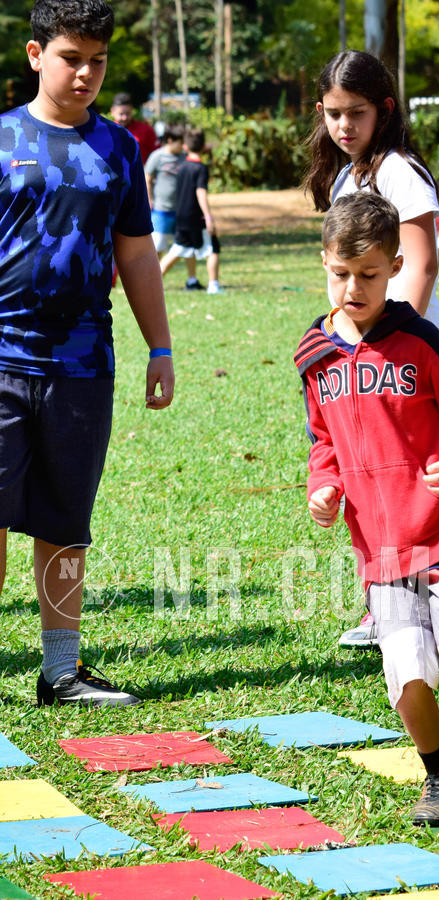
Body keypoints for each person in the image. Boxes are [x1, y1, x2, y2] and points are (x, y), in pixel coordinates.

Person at [295, 191, 439, 826]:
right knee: (406, 673)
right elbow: (323, 440)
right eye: (341, 273)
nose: (354, 287)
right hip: (381, 550)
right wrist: (325, 486)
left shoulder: (423, 341)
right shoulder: (313, 355)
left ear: (395, 266)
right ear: (323, 261)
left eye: (369, 274)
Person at [0, 0, 175, 707]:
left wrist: (159, 346)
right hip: (2, 358)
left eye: (98, 61)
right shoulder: (3, 138)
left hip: (82, 365)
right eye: (73, 58)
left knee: (64, 524)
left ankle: (61, 672)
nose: (86, 74)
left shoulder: (119, 148)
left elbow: (135, 253)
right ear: (37, 55)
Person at [303, 49, 439, 650]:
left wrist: (389, 340)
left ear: (384, 110)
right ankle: (382, 603)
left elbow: (424, 263)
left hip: (401, 359)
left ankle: (430, 599)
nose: (344, 126)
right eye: (334, 114)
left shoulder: (400, 172)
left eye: (356, 113)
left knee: (411, 481)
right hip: (355, 356)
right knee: (363, 477)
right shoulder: (347, 176)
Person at [160, 128, 224, 294]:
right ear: (203, 147)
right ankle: (213, 286)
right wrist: (208, 217)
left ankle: (149, 285)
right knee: (213, 248)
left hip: (181, 216)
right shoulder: (200, 168)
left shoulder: (181, 167)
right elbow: (200, 192)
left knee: (177, 250)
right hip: (196, 217)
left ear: (185, 147)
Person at [145, 123, 186, 256]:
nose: (183, 146)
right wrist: (149, 199)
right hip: (160, 210)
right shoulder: (157, 156)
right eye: (180, 143)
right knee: (158, 245)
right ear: (170, 140)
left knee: (183, 246)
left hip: (180, 209)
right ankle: (154, 275)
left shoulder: (184, 156)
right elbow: (147, 178)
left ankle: (192, 277)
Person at [111, 91, 159, 164]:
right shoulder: (107, 130)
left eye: (128, 113)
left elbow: (157, 154)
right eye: (121, 114)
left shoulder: (146, 129)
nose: (124, 117)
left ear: (132, 110)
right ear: (112, 111)